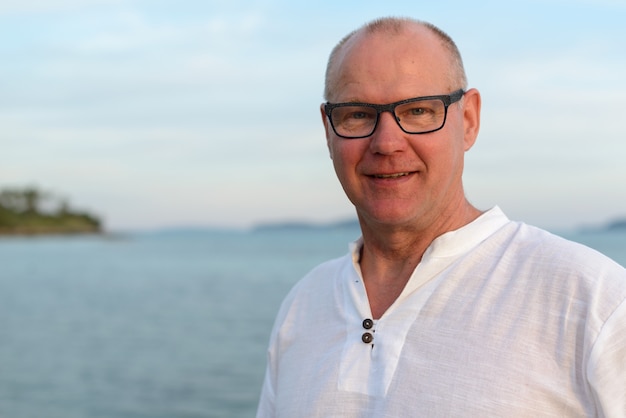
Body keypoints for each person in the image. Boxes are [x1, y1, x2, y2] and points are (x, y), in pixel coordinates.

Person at [256, 17, 626, 417]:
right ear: (329, 131)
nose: (386, 143)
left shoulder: (592, 300)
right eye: (358, 115)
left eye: (418, 111)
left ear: (468, 120)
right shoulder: (303, 307)